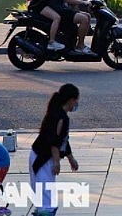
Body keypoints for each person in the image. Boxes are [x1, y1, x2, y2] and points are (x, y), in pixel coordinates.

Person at [29, 84, 81, 216]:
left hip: (43, 156)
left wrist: (71, 158)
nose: (77, 103)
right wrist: (57, 162)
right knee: (45, 197)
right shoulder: (59, 117)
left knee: (45, 194)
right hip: (42, 158)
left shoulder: (59, 114)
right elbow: (54, 142)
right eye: (76, 100)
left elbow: (63, 140)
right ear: (70, 100)